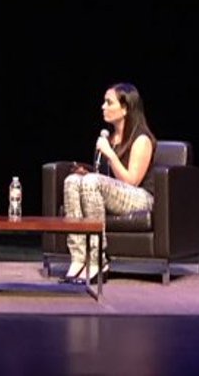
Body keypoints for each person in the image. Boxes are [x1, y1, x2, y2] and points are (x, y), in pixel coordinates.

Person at [61, 83, 156, 284]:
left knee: (91, 181)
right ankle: (78, 258)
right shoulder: (109, 138)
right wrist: (86, 173)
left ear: (125, 108)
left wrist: (110, 155)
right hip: (114, 194)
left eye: (109, 102)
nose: (103, 107)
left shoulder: (142, 139)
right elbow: (104, 179)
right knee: (72, 181)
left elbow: (131, 181)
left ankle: (98, 260)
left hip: (140, 198)